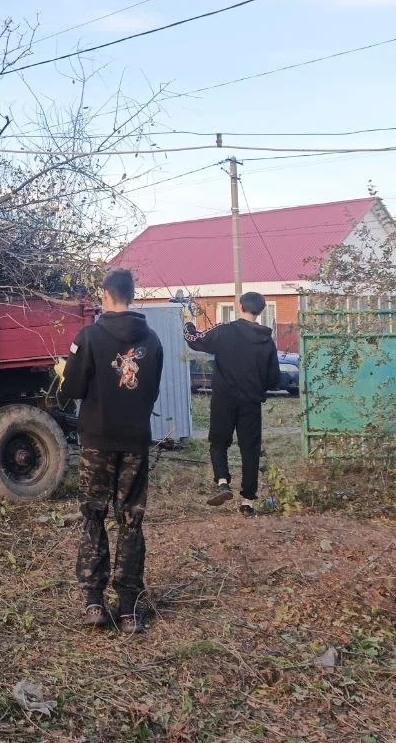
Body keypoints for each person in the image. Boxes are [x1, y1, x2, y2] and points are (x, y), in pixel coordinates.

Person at [59, 268, 164, 634]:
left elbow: (72, 388)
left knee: (94, 516)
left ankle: (93, 601)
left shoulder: (88, 337)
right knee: (131, 521)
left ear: (105, 294)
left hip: (98, 441)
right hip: (135, 441)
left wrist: (65, 370)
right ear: (133, 295)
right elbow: (150, 391)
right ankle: (129, 608)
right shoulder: (152, 340)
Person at [184, 291, 282, 516]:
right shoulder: (267, 341)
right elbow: (274, 379)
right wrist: (258, 388)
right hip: (251, 401)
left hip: (223, 399)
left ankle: (222, 482)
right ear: (261, 311)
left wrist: (188, 323)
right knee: (250, 449)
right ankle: (247, 501)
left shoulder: (224, 331)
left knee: (218, 442)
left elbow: (195, 341)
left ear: (240, 307)